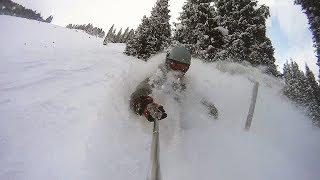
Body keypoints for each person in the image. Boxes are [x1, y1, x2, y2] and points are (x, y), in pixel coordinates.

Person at [130, 45, 218, 122]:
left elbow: (192, 95)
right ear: (168, 62)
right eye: (175, 65)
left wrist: (206, 105)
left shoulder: (182, 81)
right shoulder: (158, 76)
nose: (178, 71)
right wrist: (144, 104)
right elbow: (140, 91)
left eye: (183, 68)